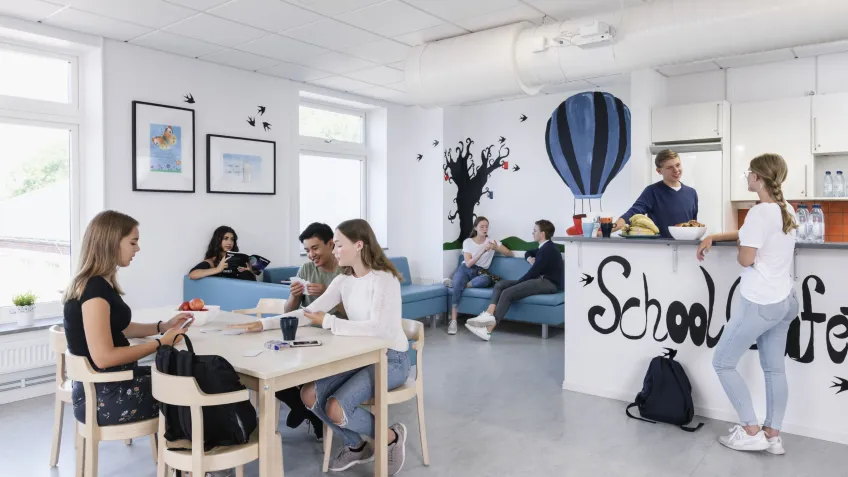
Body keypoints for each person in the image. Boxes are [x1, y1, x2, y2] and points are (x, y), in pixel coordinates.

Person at [229, 219, 411, 475]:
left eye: (338, 245)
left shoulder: (384, 279)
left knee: (336, 408)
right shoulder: (344, 281)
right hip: (360, 356)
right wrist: (263, 325)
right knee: (309, 395)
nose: (335, 251)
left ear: (358, 245)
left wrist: (328, 321)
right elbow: (309, 312)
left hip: (391, 358)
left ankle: (391, 436)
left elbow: (381, 330)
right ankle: (356, 446)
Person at [696, 153, 798, 455]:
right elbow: (752, 236)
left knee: (722, 362)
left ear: (758, 177)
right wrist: (715, 236)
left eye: (748, 173)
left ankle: (751, 430)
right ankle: (772, 436)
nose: (747, 177)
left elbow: (746, 257)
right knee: (775, 370)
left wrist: (740, 243)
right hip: (785, 301)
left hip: (759, 302)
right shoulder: (786, 209)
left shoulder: (757, 213)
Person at [63, 210, 191, 427]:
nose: (137, 249)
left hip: (103, 388)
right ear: (112, 243)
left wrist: (163, 326)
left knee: (184, 376)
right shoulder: (94, 290)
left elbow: (119, 329)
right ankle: (193, 456)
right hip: (105, 396)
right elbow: (104, 357)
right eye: (133, 242)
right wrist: (161, 342)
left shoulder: (95, 283)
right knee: (191, 385)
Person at [277, 222, 345, 441]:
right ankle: (306, 409)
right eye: (307, 250)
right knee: (274, 373)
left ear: (330, 244)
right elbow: (289, 311)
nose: (311, 255)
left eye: (315, 248)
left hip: (339, 337)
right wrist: (295, 295)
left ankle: (311, 409)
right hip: (309, 337)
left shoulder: (345, 270)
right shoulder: (306, 270)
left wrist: (329, 293)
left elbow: (356, 314)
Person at [466, 220, 563, 341]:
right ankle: (488, 314)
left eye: (535, 230)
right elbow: (529, 252)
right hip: (540, 280)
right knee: (501, 284)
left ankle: (488, 330)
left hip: (548, 283)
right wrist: (530, 259)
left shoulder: (548, 249)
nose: (533, 233)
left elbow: (533, 273)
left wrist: (518, 284)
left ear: (542, 234)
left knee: (508, 292)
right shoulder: (544, 247)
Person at [442, 217, 514, 335]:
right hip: (466, 268)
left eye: (486, 226)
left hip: (481, 272)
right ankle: (453, 320)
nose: (485, 229)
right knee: (458, 286)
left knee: (486, 280)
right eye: (482, 226)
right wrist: (483, 251)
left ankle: (455, 283)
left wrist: (496, 248)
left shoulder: (492, 241)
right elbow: (469, 263)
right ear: (475, 228)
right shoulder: (468, 242)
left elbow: (510, 254)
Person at [614, 149, 699, 238]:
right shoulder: (652, 191)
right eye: (669, 167)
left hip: (686, 246)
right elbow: (632, 213)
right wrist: (609, 228)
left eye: (678, 165)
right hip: (659, 248)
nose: (676, 170)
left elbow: (693, 224)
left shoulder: (691, 193)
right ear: (659, 171)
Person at [188, 226, 257, 281]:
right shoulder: (212, 261)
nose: (229, 243)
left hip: (241, 291)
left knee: (246, 273)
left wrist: (250, 272)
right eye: (225, 238)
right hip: (223, 293)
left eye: (232, 239)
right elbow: (192, 275)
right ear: (218, 240)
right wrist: (217, 269)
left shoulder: (239, 259)